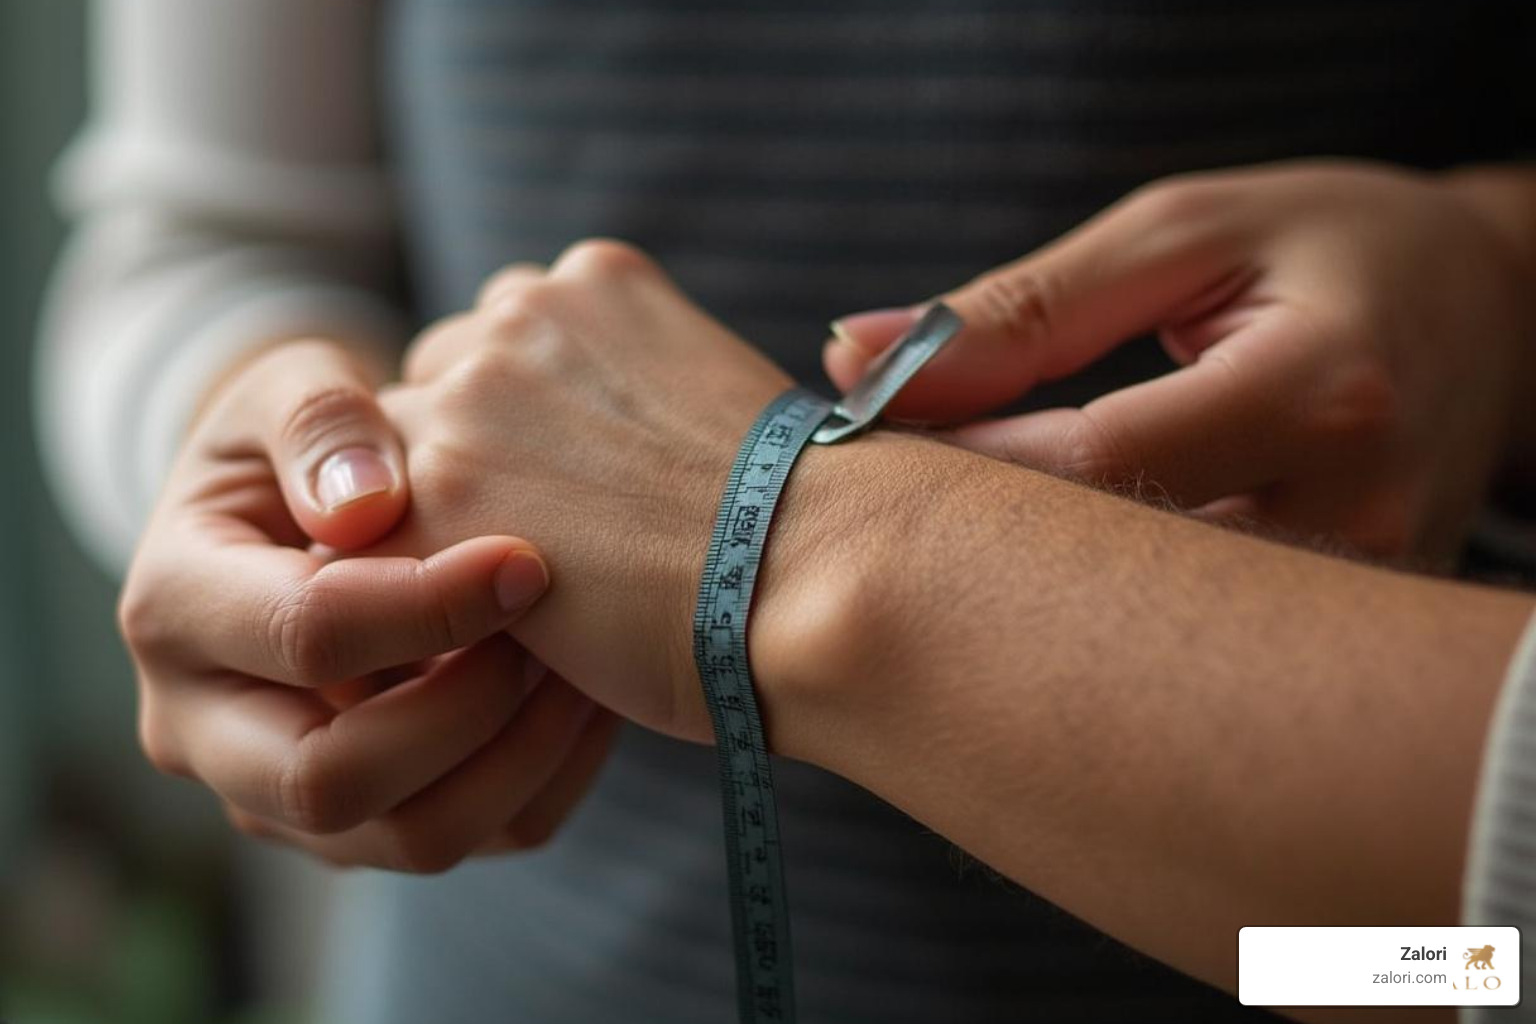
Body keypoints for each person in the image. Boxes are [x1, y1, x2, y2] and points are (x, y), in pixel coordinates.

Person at [36, 2, 1536, 1022]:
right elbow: (201, 235)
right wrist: (267, 449)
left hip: (1384, 959)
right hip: (518, 968)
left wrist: (1502, 272)